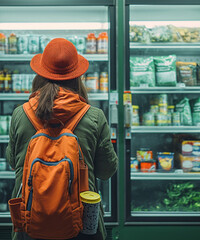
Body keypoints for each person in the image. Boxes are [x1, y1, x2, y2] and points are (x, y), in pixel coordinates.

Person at [6, 38, 118, 240]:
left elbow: (13, 162)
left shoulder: (20, 114)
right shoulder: (94, 116)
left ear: (40, 74)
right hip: (82, 223)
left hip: (29, 221)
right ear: (77, 77)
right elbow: (106, 170)